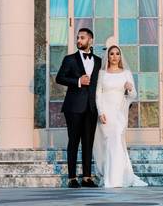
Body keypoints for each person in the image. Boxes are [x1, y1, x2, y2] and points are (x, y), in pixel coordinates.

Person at [93, 43, 147, 188]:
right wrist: (100, 112)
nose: (114, 57)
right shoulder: (102, 74)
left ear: (120, 56)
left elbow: (133, 95)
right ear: (108, 57)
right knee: (107, 145)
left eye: (117, 54)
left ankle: (115, 179)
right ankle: (110, 175)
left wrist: (129, 89)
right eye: (112, 54)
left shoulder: (126, 73)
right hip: (105, 113)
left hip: (118, 113)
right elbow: (98, 94)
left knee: (116, 140)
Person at [55, 27, 102, 188]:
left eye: (82, 38)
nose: (78, 41)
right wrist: (78, 81)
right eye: (77, 38)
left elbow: (99, 85)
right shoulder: (70, 59)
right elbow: (59, 78)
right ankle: (72, 178)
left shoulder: (98, 60)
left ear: (90, 40)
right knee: (73, 141)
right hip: (73, 107)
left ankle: (87, 177)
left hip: (91, 108)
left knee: (88, 142)